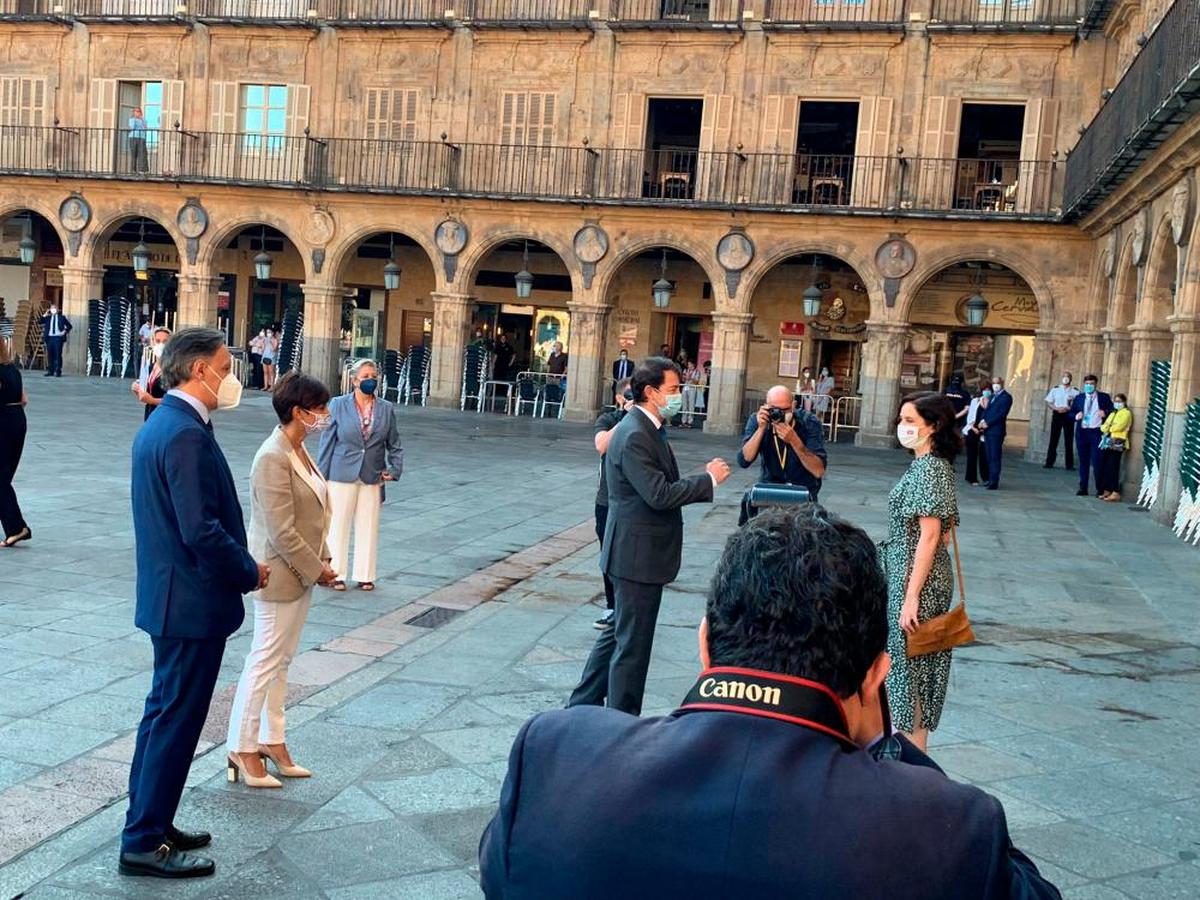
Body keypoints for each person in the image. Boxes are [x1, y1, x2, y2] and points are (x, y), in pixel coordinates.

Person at [481, 506, 1060, 900]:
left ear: (706, 641)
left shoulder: (557, 756)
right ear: (876, 674)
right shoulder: (948, 825)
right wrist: (896, 752)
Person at [121, 328, 269, 879]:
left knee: (163, 715)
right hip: (187, 602)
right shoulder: (182, 432)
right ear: (198, 371)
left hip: (172, 599)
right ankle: (142, 841)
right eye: (225, 366)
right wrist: (249, 570)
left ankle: (151, 821)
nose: (231, 377)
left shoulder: (169, 424)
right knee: (175, 721)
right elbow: (199, 529)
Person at [567, 357, 730, 716]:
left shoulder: (646, 427)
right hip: (636, 555)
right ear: (651, 392)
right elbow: (659, 494)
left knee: (616, 636)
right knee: (633, 646)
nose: (679, 395)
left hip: (633, 551)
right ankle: (623, 720)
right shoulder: (636, 432)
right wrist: (709, 480)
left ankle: (580, 706)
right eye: (673, 389)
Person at [227, 373, 336, 788]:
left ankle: (272, 739)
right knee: (264, 660)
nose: (325, 415)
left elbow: (313, 513)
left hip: (301, 571)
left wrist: (321, 558)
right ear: (299, 411)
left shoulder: (299, 450)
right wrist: (317, 568)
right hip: (277, 572)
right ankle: (241, 744)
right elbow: (281, 529)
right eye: (320, 408)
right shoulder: (272, 456)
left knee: (282, 661)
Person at [880, 391, 961, 751]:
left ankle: (913, 760)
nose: (903, 427)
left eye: (911, 421)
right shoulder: (932, 466)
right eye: (901, 420)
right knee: (912, 669)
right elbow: (947, 532)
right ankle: (911, 757)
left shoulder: (930, 469)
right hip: (914, 574)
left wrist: (911, 597)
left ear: (934, 426)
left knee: (911, 672)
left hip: (916, 581)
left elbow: (931, 537)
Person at [317, 359, 403, 592]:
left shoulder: (386, 408)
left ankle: (366, 575)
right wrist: (320, 478)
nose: (370, 380)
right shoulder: (337, 405)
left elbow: (394, 443)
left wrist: (395, 469)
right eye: (365, 376)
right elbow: (327, 442)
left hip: (372, 474)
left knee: (369, 525)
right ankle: (336, 573)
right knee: (338, 526)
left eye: (373, 376)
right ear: (354, 380)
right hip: (340, 473)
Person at [737, 384, 827, 523]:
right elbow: (744, 460)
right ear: (766, 406)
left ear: (793, 405)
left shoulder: (809, 423)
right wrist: (761, 429)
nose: (778, 414)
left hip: (802, 492)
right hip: (769, 491)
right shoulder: (758, 420)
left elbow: (818, 470)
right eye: (773, 409)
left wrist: (795, 441)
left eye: (784, 410)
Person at [591, 378, 634, 631]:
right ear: (619, 398)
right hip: (606, 500)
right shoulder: (609, 420)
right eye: (628, 396)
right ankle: (612, 606)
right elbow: (601, 445)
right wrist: (626, 420)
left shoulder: (647, 424)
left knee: (629, 555)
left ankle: (626, 606)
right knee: (608, 555)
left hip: (633, 501)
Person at [0, 337, 30, 548]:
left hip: (3, 422)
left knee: (0, 480)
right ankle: (14, 527)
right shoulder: (13, 370)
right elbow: (24, 399)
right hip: (17, 419)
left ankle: (17, 527)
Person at [1070, 374, 1113, 497]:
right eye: (1087, 384)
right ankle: (1083, 488)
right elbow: (1071, 412)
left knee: (1097, 461)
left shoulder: (1103, 397)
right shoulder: (1079, 398)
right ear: (1084, 384)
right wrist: (1075, 416)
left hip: (1096, 432)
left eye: (1092, 384)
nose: (1089, 386)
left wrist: (1105, 412)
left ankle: (1100, 488)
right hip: (1083, 432)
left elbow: (1112, 410)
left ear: (1096, 384)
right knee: (1083, 461)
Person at [976, 375, 1012, 491]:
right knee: (989, 456)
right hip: (988, 431)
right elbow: (987, 410)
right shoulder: (992, 396)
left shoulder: (1006, 397)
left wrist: (988, 423)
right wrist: (982, 421)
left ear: (1002, 383)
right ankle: (990, 479)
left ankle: (994, 481)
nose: (995, 385)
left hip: (996, 431)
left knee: (995, 457)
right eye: (993, 383)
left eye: (997, 383)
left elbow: (1001, 414)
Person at [1098, 393, 1133, 502]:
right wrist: (1108, 427)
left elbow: (1119, 426)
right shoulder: (1113, 413)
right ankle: (1107, 489)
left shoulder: (1126, 413)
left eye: (1119, 401)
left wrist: (1109, 428)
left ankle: (1115, 491)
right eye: (1115, 401)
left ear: (1124, 402)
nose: (1117, 403)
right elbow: (1104, 426)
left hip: (1118, 441)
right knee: (1106, 466)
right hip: (1109, 441)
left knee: (1113, 466)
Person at [132, 327, 171, 421]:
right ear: (152, 343)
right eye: (158, 341)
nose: (161, 344)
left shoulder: (173, 370)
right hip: (150, 415)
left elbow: (175, 400)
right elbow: (148, 393)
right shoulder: (151, 367)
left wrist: (152, 400)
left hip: (165, 417)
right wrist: (138, 389)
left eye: (165, 342)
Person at [1043, 371, 1079, 470]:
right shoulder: (1056, 389)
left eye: (1068, 377)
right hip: (1057, 414)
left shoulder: (1075, 391)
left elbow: (1078, 404)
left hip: (1068, 415)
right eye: (1064, 376)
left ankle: (1069, 465)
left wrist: (1069, 408)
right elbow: (1048, 401)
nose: (1066, 378)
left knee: (1069, 440)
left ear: (1071, 379)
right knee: (1053, 439)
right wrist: (1056, 408)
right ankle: (1049, 462)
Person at [962, 386, 991, 486]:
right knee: (972, 454)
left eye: (988, 390)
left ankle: (986, 477)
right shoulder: (976, 400)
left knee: (984, 455)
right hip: (972, 429)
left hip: (985, 431)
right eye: (985, 390)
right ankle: (971, 477)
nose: (986, 392)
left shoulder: (993, 402)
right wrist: (973, 427)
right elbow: (970, 416)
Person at [40, 303, 71, 377]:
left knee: (58, 354)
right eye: (52, 308)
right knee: (50, 355)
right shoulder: (48, 318)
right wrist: (45, 314)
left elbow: (69, 326)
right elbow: (39, 321)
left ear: (57, 310)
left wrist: (64, 331)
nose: (53, 310)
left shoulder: (62, 318)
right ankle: (50, 371)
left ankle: (58, 371)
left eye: (54, 308)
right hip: (49, 338)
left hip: (58, 338)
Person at [129, 106, 148, 173]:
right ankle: (133, 170)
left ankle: (142, 170)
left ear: (141, 112)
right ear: (134, 112)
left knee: (142, 154)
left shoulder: (144, 120)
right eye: (136, 111)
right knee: (134, 154)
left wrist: (141, 120)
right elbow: (132, 127)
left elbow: (145, 128)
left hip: (142, 137)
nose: (137, 113)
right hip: (133, 137)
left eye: (139, 111)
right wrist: (135, 119)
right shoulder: (132, 119)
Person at [261, 326, 278, 391]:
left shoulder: (275, 340)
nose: (268, 334)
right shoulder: (265, 340)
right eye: (267, 332)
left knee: (271, 372)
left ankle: (272, 386)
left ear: (272, 333)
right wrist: (263, 343)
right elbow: (262, 349)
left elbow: (274, 349)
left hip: (271, 357)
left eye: (269, 332)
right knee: (265, 372)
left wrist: (270, 342)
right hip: (265, 357)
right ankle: (265, 386)